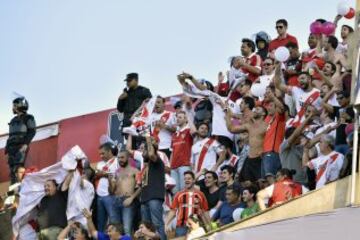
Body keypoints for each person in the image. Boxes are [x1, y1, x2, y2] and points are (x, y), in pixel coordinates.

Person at [226, 105, 268, 182]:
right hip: (249, 159)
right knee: (245, 184)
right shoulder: (249, 126)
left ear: (263, 113)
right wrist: (227, 116)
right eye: (254, 109)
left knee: (260, 184)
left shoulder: (267, 126)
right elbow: (231, 129)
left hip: (260, 159)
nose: (254, 110)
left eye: (258, 109)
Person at [165, 171, 209, 237]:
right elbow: (173, 211)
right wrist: (166, 224)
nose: (186, 180)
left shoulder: (200, 194)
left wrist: (209, 225)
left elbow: (205, 211)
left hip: (196, 226)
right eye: (185, 179)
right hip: (181, 226)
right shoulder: (179, 194)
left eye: (189, 178)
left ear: (194, 180)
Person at [140, 136, 166, 240]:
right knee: (147, 228)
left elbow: (151, 154)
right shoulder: (146, 166)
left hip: (154, 198)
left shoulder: (157, 161)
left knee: (158, 225)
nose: (143, 152)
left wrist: (148, 140)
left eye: (144, 149)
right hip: (144, 199)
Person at [5, 97, 36, 184]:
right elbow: (11, 135)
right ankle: (13, 191)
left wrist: (26, 144)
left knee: (18, 168)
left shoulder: (28, 117)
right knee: (12, 170)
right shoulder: (13, 120)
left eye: (15, 105)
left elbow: (32, 131)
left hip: (21, 146)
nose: (13, 107)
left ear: (20, 105)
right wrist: (7, 149)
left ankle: (20, 188)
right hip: (11, 148)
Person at [110, 150, 140, 236]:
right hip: (116, 200)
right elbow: (112, 190)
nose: (120, 160)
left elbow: (141, 187)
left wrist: (132, 198)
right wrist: (111, 182)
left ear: (128, 158)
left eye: (122, 157)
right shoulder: (116, 172)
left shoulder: (135, 171)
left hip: (128, 201)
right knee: (116, 230)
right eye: (118, 158)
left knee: (127, 229)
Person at [95, 142, 120, 232]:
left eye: (103, 153)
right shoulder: (99, 164)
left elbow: (119, 175)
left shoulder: (117, 161)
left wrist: (104, 174)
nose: (101, 156)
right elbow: (96, 174)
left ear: (109, 151)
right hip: (99, 196)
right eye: (100, 154)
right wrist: (100, 174)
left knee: (114, 221)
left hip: (111, 195)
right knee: (101, 222)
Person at [170, 111, 194, 193]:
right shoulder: (174, 135)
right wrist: (170, 167)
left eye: (180, 117)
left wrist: (189, 118)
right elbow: (172, 153)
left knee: (184, 191)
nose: (177, 119)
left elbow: (194, 132)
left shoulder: (188, 131)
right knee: (175, 192)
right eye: (177, 117)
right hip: (173, 167)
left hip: (184, 165)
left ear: (185, 119)